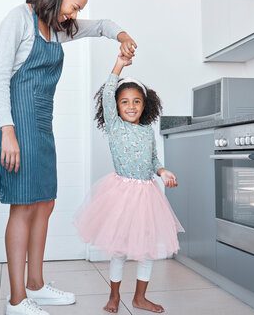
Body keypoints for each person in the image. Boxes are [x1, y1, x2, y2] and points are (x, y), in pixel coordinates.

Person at [0, 0, 137, 315]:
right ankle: (16, 300)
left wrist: (123, 35)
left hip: (41, 121)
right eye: (73, 7)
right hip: (17, 121)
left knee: (45, 203)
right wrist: (7, 131)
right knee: (22, 205)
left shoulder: (57, 29)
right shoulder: (19, 20)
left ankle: (36, 286)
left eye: (78, 11)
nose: (73, 16)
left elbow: (102, 26)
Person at [73, 53, 185, 313]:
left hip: (147, 196)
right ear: (116, 106)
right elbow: (107, 94)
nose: (131, 106)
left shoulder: (147, 131)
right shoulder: (115, 126)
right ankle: (114, 296)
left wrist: (163, 171)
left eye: (136, 101)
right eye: (124, 102)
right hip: (121, 195)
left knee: (147, 250)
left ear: (145, 105)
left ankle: (139, 298)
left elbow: (154, 159)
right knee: (120, 250)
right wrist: (118, 66)